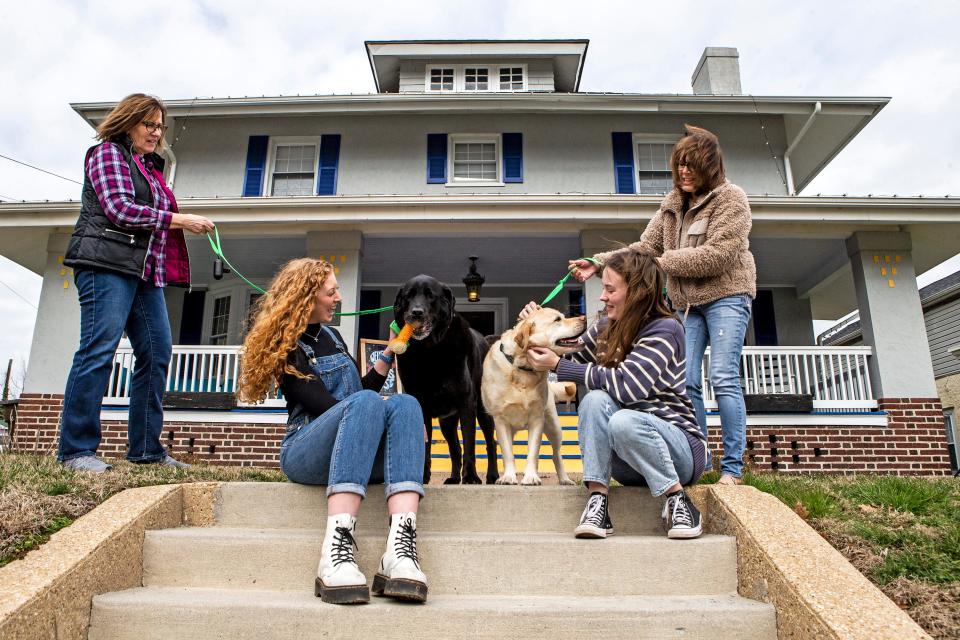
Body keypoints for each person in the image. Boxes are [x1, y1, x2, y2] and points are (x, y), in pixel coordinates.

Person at [570, 124, 755, 485]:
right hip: (687, 302)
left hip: (727, 295)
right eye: (679, 165)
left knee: (722, 375)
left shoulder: (732, 199)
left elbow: (717, 256)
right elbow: (643, 248)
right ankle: (699, 458)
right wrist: (600, 262)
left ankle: (732, 469)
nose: (683, 172)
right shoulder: (672, 204)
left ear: (710, 167)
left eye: (692, 165)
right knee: (687, 382)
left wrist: (658, 263)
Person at [238, 258, 428, 605]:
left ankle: (400, 552)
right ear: (307, 297)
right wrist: (369, 408)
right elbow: (329, 406)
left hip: (356, 445)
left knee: (406, 404)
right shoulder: (288, 345)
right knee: (369, 403)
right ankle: (335, 551)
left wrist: (387, 353)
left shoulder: (333, 336)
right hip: (307, 450)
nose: (338, 297)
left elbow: (360, 392)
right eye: (331, 291)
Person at [59, 93, 215, 473]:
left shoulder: (149, 168)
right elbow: (120, 209)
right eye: (149, 124)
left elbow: (152, 223)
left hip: (144, 274)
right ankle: (76, 451)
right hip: (104, 265)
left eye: (160, 126)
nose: (156, 131)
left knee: (158, 352)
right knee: (98, 350)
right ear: (128, 122)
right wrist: (181, 220)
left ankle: (146, 450)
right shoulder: (107, 154)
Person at [524, 250, 709, 539]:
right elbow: (564, 351)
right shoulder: (603, 329)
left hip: (679, 454)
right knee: (596, 400)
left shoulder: (665, 328)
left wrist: (559, 366)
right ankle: (598, 500)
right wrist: (536, 325)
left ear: (637, 292)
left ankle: (677, 499)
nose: (603, 297)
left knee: (623, 419)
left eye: (610, 289)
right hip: (627, 461)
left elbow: (628, 386)